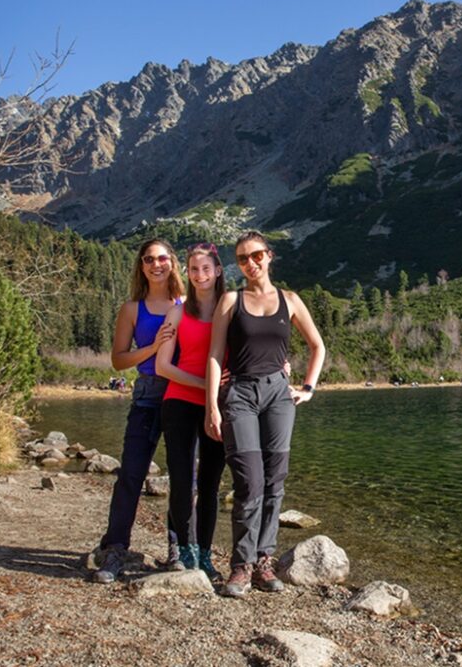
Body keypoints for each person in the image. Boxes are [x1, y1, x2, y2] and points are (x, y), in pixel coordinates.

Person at [205, 231, 325, 598]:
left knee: (275, 480)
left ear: (269, 256)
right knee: (249, 481)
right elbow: (214, 354)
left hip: (278, 394)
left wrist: (307, 387)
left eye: (256, 255)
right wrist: (212, 404)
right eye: (242, 258)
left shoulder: (289, 300)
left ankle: (264, 560)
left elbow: (317, 345)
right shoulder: (230, 300)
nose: (250, 263)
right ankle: (240, 566)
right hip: (239, 393)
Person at [92, 238, 184, 584]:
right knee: (131, 473)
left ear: (172, 263)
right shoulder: (132, 309)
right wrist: (153, 347)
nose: (156, 264)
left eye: (162, 258)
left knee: (183, 475)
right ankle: (115, 548)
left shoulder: (186, 304)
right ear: (141, 266)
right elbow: (118, 361)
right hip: (146, 394)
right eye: (149, 259)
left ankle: (178, 548)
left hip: (181, 394)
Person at [154, 242, 227, 582]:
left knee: (211, 484)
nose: (200, 275)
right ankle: (185, 552)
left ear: (218, 271)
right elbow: (163, 366)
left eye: (206, 269)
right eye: (193, 269)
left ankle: (207, 557)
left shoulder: (231, 309)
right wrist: (204, 384)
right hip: (180, 402)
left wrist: (280, 364)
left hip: (218, 407)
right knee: (183, 481)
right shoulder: (178, 312)